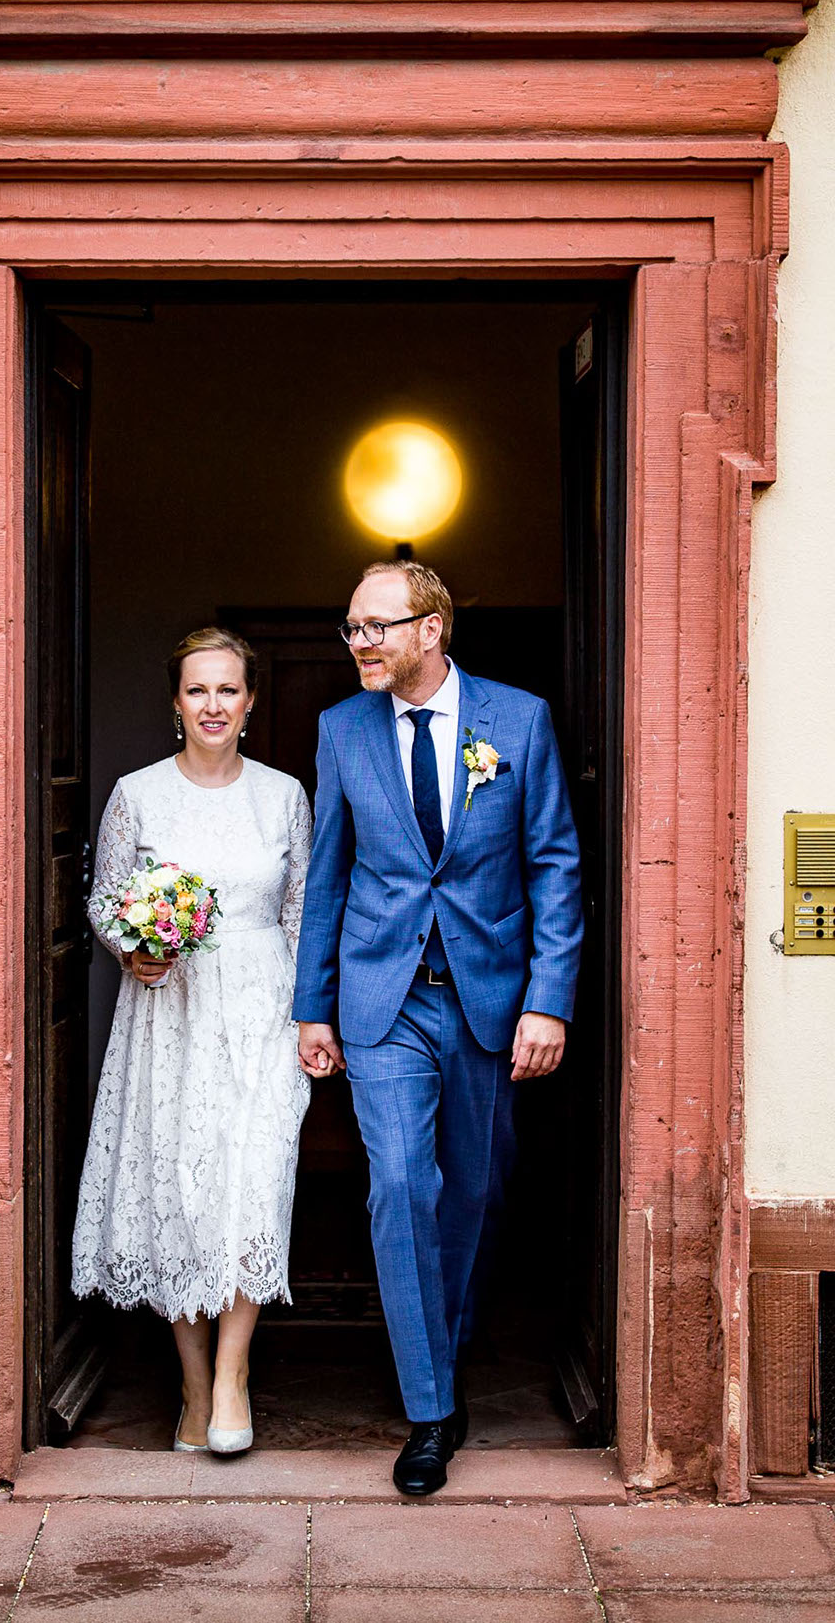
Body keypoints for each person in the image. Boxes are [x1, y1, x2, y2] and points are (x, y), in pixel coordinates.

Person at [293, 560, 582, 1496]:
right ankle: (428, 1409)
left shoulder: (519, 720)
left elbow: (554, 867)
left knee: (479, 1191)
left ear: (432, 630)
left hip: (488, 997)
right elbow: (329, 876)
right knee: (402, 1185)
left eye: (376, 627)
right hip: (385, 1001)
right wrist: (313, 1005)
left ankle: (443, 1354)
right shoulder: (342, 730)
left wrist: (550, 998)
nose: (360, 644)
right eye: (352, 628)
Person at [71, 626, 314, 1455]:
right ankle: (191, 1381)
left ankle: (235, 1374)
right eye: (197, 690)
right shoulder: (137, 794)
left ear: (250, 702)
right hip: (168, 1010)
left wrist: (308, 1017)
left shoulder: (284, 795)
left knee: (252, 1180)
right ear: (176, 704)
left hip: (259, 1008)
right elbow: (105, 898)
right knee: (178, 1188)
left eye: (228, 690)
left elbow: (300, 912)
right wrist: (133, 946)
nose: (213, 705)